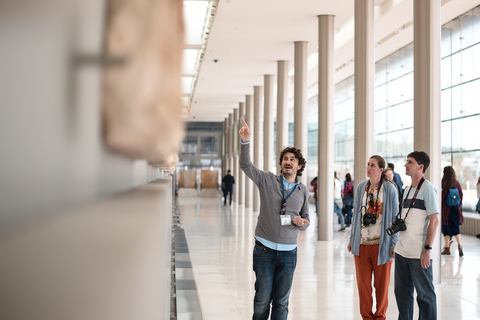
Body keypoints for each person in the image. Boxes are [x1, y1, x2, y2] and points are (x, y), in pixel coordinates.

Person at [238, 118, 310, 320]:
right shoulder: (267, 180)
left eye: (292, 159)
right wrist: (245, 142)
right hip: (264, 249)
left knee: (281, 303)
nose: (288, 162)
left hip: (289, 254)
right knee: (262, 300)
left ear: (299, 165)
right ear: (281, 163)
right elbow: (246, 165)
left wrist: (301, 223)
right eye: (285, 159)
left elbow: (306, 219)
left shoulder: (303, 191)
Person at [347, 155, 399, 320]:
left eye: (372, 165)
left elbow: (395, 218)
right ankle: (366, 316)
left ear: (381, 169)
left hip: (381, 244)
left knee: (381, 286)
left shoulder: (390, 189)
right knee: (364, 287)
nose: (368, 168)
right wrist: (351, 238)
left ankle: (380, 316)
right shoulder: (361, 187)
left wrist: (394, 243)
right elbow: (356, 217)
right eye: (368, 164)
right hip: (361, 243)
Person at [394, 151, 440, 320]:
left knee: (425, 295)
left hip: (418, 253)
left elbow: (434, 221)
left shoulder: (428, 189)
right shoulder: (407, 190)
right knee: (401, 294)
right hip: (402, 251)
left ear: (420, 167)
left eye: (410, 162)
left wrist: (427, 249)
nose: (406, 165)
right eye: (406, 161)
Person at [441, 166, 464, 257]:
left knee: (446, 227)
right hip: (455, 209)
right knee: (456, 228)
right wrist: (458, 205)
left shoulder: (444, 184)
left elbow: (442, 196)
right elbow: (461, 195)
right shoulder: (457, 183)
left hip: (446, 209)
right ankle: (459, 245)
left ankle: (447, 248)